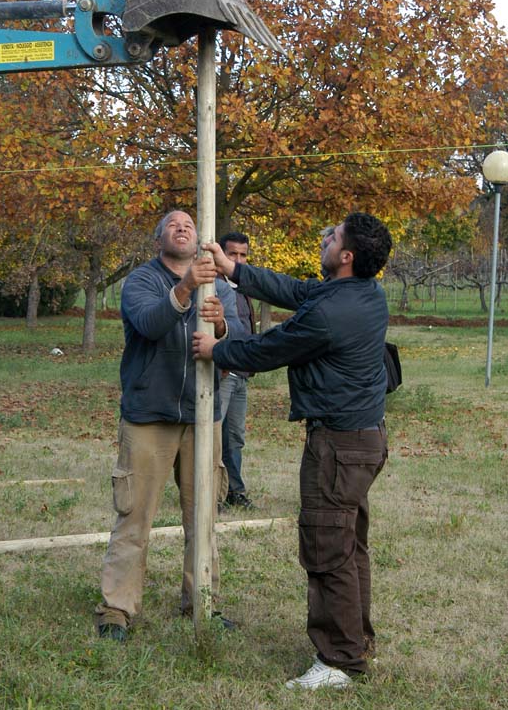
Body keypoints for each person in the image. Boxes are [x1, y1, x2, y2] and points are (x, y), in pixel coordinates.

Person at [193, 212, 392, 689]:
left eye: (333, 235)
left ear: (345, 256)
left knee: (328, 547)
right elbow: (295, 291)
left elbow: (270, 349)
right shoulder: (361, 292)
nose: (324, 235)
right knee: (349, 545)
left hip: (338, 446)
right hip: (362, 440)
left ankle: (340, 661)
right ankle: (354, 640)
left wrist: (216, 350)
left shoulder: (330, 313)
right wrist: (233, 269)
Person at [95, 210, 243, 642]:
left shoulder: (220, 285)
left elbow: (235, 344)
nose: (182, 227)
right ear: (159, 238)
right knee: (133, 515)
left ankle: (203, 602)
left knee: (204, 517)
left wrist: (219, 325)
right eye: (173, 224)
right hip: (149, 416)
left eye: (189, 224)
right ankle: (116, 610)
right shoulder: (141, 281)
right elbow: (149, 324)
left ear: (199, 238)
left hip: (204, 416)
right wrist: (186, 287)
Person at [218, 232, 257, 510]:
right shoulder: (210, 286)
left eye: (243, 255)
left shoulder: (242, 287)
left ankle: (235, 491)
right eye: (233, 254)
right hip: (219, 373)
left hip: (241, 373)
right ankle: (212, 494)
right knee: (211, 435)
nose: (238, 260)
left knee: (235, 437)